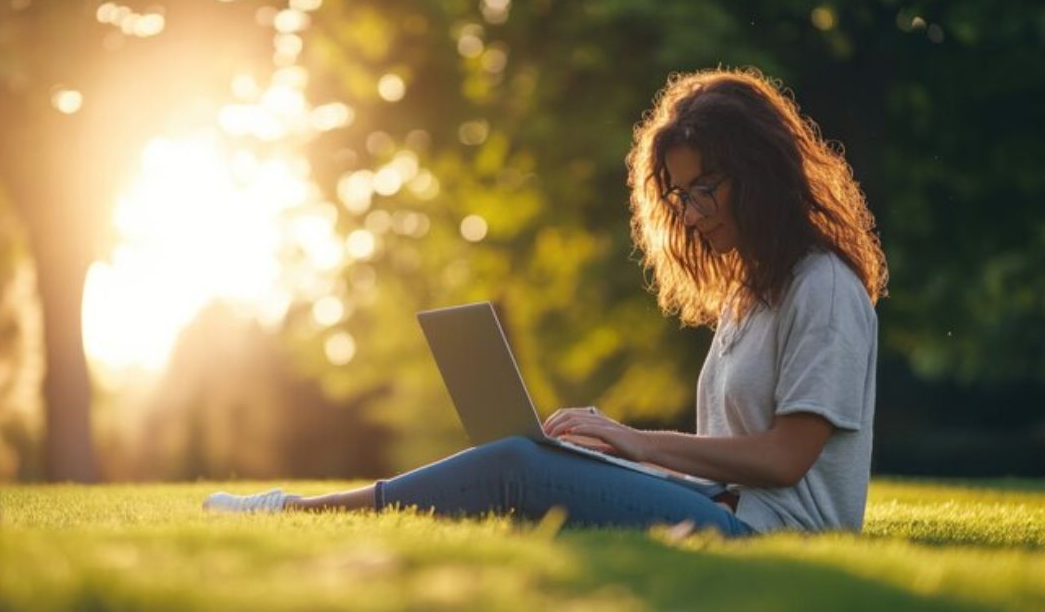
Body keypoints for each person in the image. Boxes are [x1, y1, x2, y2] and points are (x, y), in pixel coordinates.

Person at [204, 67, 888, 537]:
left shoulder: (822, 286)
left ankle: (294, 509)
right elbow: (731, 460)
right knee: (533, 456)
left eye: (706, 187)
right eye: (680, 196)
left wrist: (633, 439)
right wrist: (619, 457)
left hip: (774, 535)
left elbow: (784, 460)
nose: (694, 212)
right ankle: (300, 507)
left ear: (759, 172)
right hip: (725, 509)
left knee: (517, 467)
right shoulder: (749, 294)